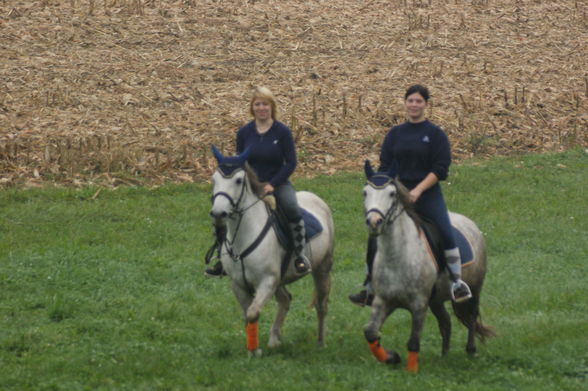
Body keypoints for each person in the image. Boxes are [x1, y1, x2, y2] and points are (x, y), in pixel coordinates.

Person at [349, 84, 472, 305]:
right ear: (405, 103)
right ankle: (369, 286)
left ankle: (456, 282)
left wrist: (417, 190)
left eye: (418, 101)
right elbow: (386, 166)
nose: (414, 105)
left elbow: (440, 168)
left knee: (445, 230)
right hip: (397, 196)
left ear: (426, 104)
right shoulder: (395, 134)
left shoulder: (435, 134)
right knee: (374, 235)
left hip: (427, 194)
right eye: (410, 100)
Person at [206, 86, 311, 277]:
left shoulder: (282, 132)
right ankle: (221, 259)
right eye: (258, 104)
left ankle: (299, 255)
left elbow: (291, 163)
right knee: (221, 211)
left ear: (272, 107)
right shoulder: (244, 133)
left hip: (277, 183)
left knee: (291, 207)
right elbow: (240, 162)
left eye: (265, 104)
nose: (262, 108)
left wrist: (273, 184)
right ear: (252, 108)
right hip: (250, 185)